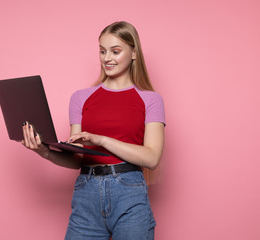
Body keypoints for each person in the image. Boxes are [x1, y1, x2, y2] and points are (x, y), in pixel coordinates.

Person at [21, 21, 165, 240]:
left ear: (134, 53)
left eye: (115, 51)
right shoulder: (80, 97)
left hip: (129, 193)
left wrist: (102, 140)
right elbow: (77, 158)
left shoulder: (151, 100)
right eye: (102, 51)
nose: (107, 58)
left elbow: (152, 157)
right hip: (86, 193)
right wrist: (45, 151)